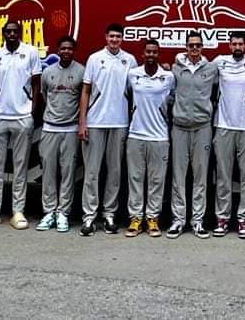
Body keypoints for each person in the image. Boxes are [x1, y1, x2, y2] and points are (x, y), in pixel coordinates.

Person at [0, 20, 41, 230]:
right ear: (3, 34)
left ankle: (18, 211)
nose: (12, 34)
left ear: (20, 33)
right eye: (8, 31)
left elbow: (36, 83)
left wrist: (32, 110)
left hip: (22, 116)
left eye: (15, 31)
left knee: (20, 167)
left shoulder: (31, 52)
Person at [78, 22, 137, 236]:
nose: (114, 40)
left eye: (118, 37)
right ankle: (88, 217)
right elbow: (85, 91)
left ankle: (109, 214)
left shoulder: (129, 60)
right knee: (92, 172)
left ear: (122, 39)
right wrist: (82, 122)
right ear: (105, 37)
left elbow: (134, 92)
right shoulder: (94, 59)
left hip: (120, 123)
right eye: (111, 36)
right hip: (95, 123)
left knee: (114, 172)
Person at [168, 32, 218, 239]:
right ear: (186, 47)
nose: (194, 49)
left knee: (200, 176)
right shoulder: (175, 68)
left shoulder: (212, 68)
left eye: (198, 45)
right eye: (191, 45)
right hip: (179, 127)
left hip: (202, 127)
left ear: (202, 47)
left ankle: (197, 221)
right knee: (178, 176)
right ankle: (178, 220)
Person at [125, 38, 175, 238]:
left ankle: (152, 218)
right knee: (135, 178)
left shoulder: (168, 77)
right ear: (143, 54)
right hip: (136, 135)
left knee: (156, 180)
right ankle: (136, 218)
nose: (151, 55)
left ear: (159, 54)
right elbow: (128, 97)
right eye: (148, 52)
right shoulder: (132, 75)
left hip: (159, 137)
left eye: (155, 52)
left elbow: (174, 99)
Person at [212, 31, 245, 238]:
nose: (237, 46)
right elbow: (197, 67)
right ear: (229, 45)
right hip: (223, 126)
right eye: (234, 44)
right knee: (223, 175)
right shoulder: (219, 62)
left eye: (240, 43)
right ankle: (222, 218)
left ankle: (244, 220)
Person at [36, 35, 84, 232]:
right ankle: (49, 213)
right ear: (58, 50)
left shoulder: (81, 71)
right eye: (63, 48)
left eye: (69, 49)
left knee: (68, 172)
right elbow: (44, 95)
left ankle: (63, 213)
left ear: (73, 51)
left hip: (71, 129)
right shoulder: (48, 72)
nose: (66, 51)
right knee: (48, 172)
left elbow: (84, 98)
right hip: (49, 128)